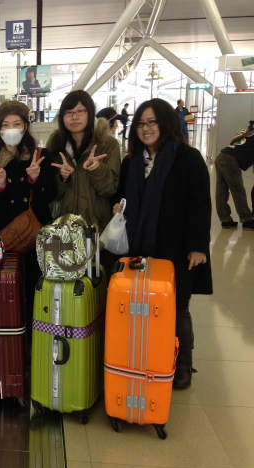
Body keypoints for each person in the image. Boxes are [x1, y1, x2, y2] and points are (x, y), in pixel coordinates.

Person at [114, 98, 212, 389]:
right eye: (140, 124)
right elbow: (121, 195)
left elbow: (200, 204)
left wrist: (198, 246)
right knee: (143, 304)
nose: (146, 129)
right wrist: (117, 205)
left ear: (166, 124)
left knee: (176, 307)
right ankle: (151, 357)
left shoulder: (187, 158)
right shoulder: (131, 161)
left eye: (152, 122)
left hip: (175, 247)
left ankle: (183, 363)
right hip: (139, 247)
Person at [0, 100, 57, 305]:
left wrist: (35, 179)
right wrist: (0, 185)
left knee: (37, 286)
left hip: (37, 230)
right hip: (9, 233)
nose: (11, 129)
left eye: (16, 124)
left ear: (25, 126)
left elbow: (51, 194)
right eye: (6, 125)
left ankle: (37, 324)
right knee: (10, 286)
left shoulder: (40, 156)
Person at [47, 90, 121, 233]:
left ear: (90, 113)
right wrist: (62, 178)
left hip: (96, 228)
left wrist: (97, 169)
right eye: (69, 112)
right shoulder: (56, 146)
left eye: (80, 111)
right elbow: (52, 194)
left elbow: (111, 189)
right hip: (64, 229)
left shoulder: (108, 145)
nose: (74, 117)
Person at [214, 124, 254, 229]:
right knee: (238, 191)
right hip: (230, 161)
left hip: (221, 157)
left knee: (221, 191)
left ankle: (225, 220)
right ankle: (247, 219)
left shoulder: (249, 135)